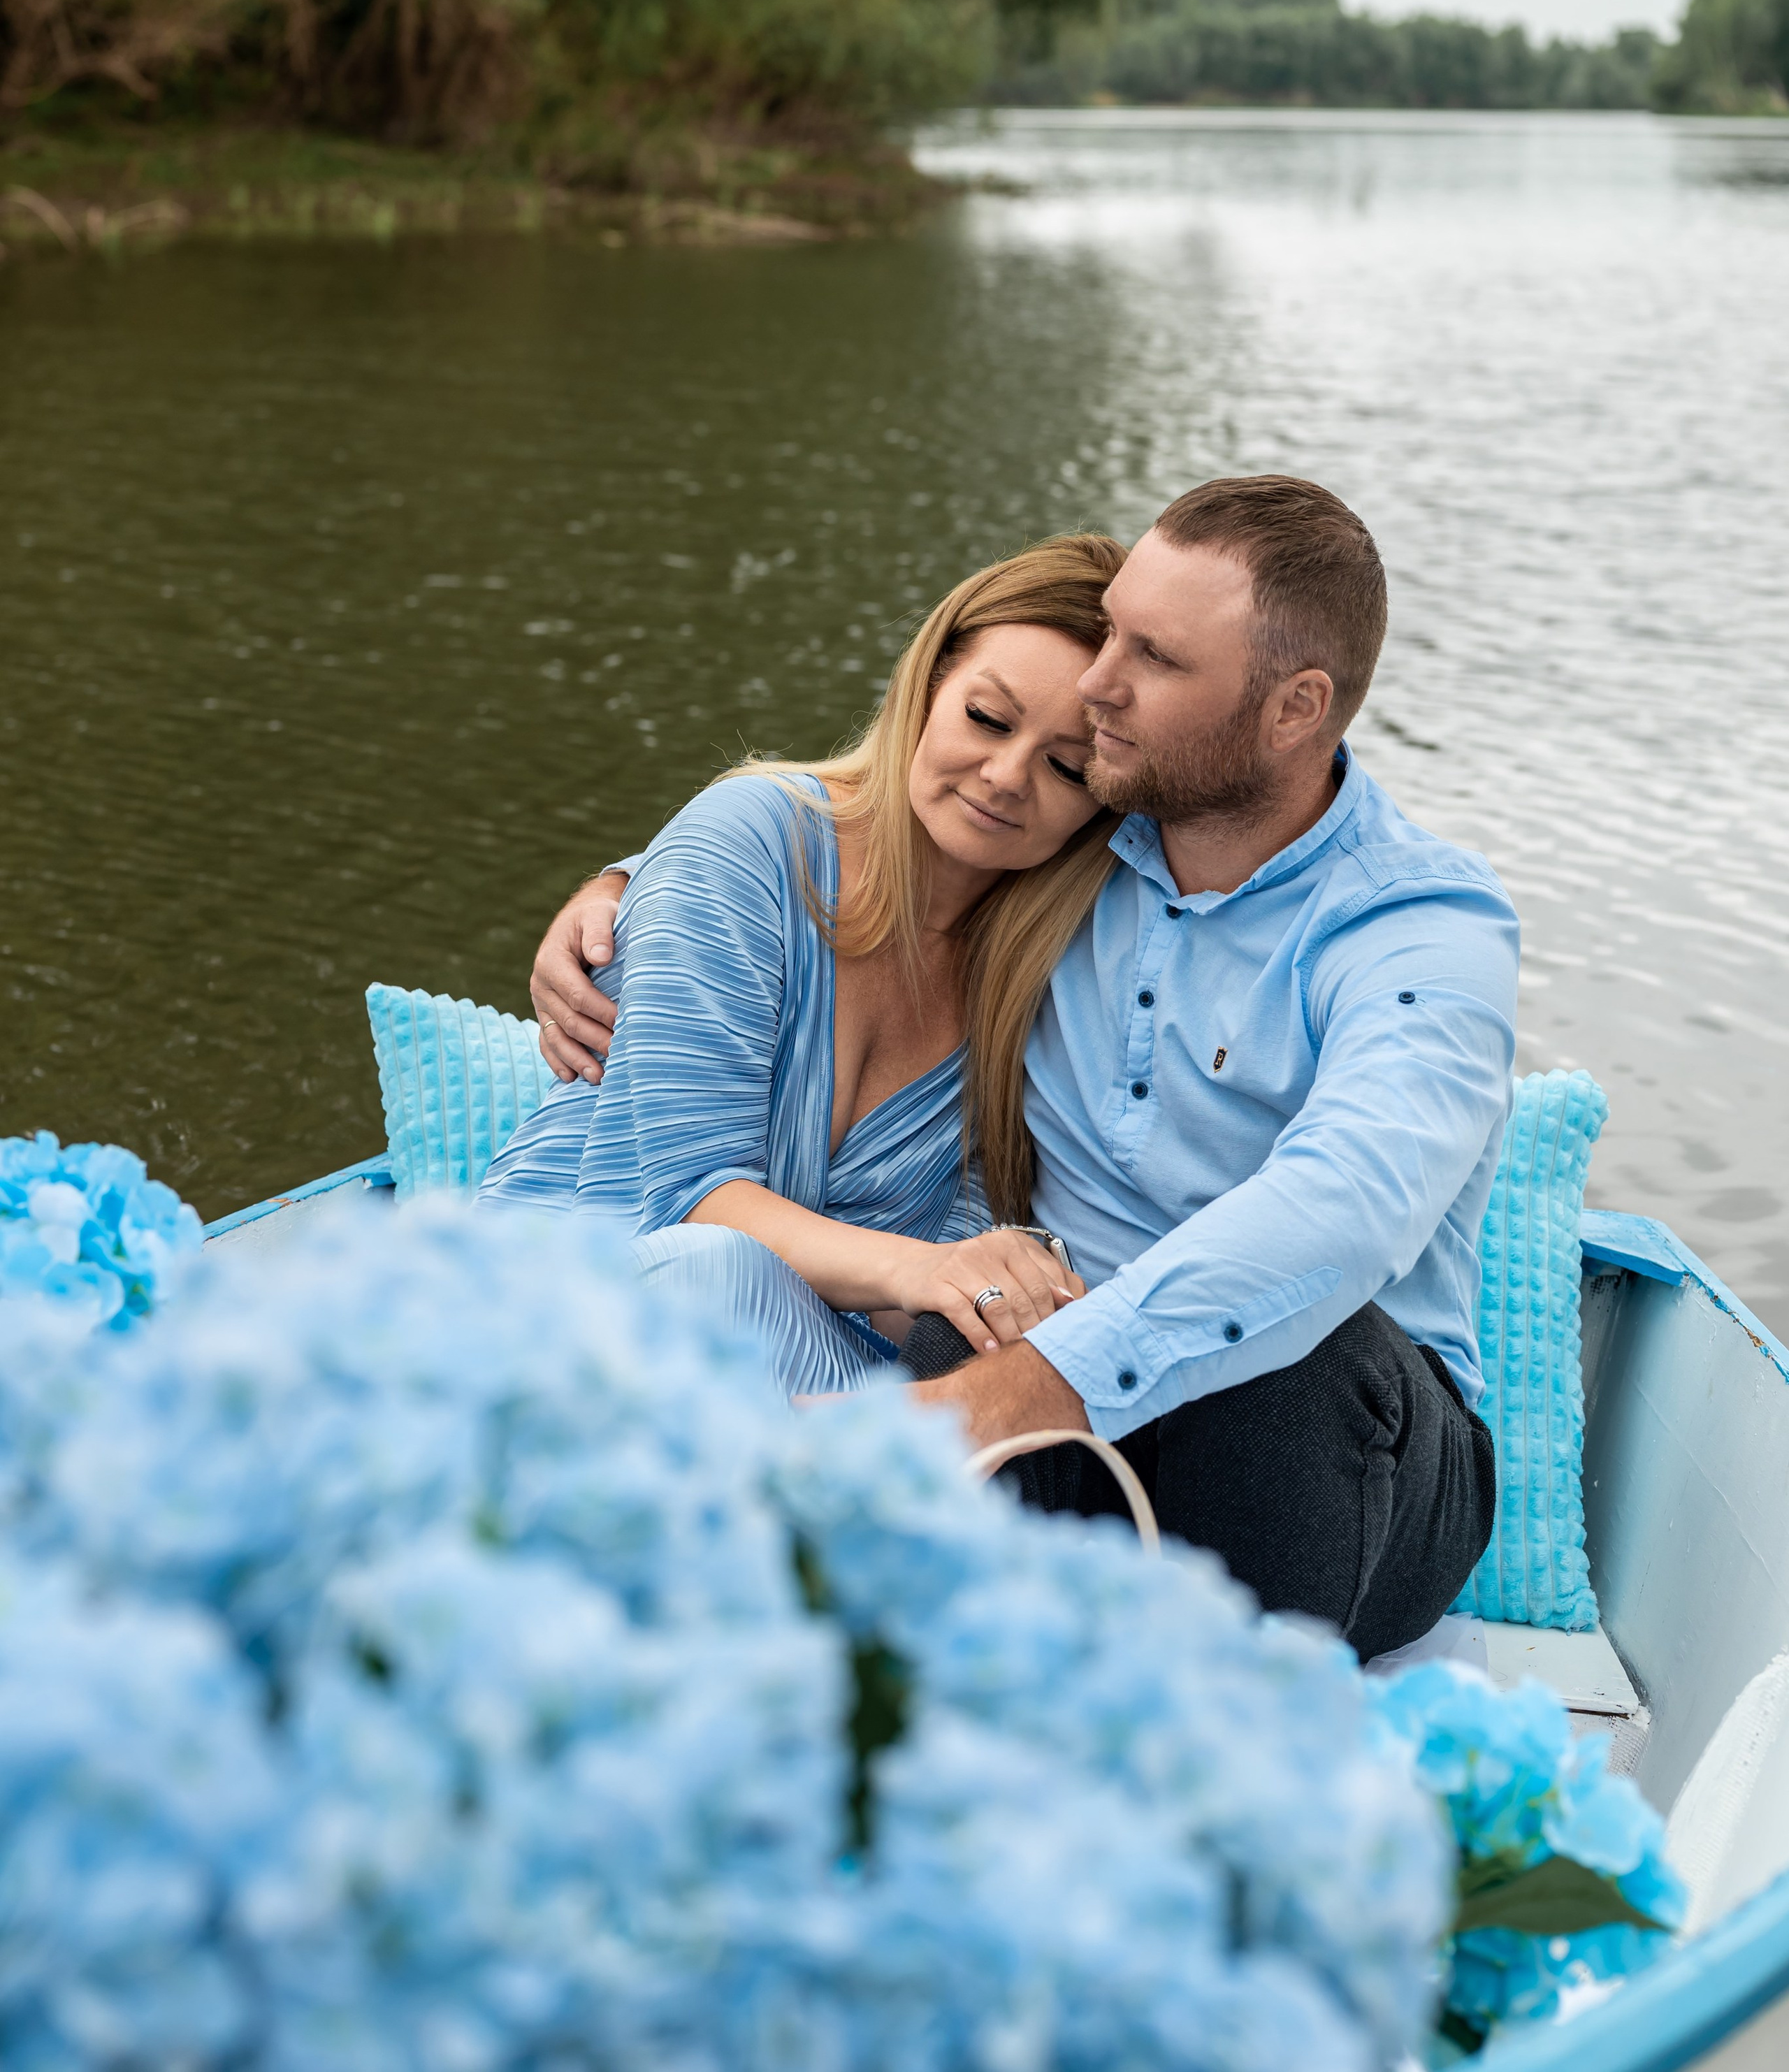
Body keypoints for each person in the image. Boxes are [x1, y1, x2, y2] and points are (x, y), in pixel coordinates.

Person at [533, 476, 1518, 1660]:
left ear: (1294, 708)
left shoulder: (1421, 929)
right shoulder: (1092, 840)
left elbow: (1345, 1205)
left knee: (1290, 1352)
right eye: (1111, 631)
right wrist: (625, 889)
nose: (1100, 683)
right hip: (1054, 1394)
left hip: (1332, 1444)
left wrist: (990, 1399)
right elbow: (861, 834)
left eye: (1150, 655)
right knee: (952, 1327)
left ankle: (1206, 1713)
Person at [480, 534, 1128, 1392]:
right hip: (573, 1310)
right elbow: (689, 1195)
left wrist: (991, 1283)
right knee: (713, 1274)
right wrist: (922, 1272)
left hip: (800, 1373)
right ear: (928, 685)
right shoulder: (752, 842)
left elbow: (949, 1260)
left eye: (1067, 767)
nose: (1007, 776)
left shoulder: (1048, 979)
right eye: (986, 718)